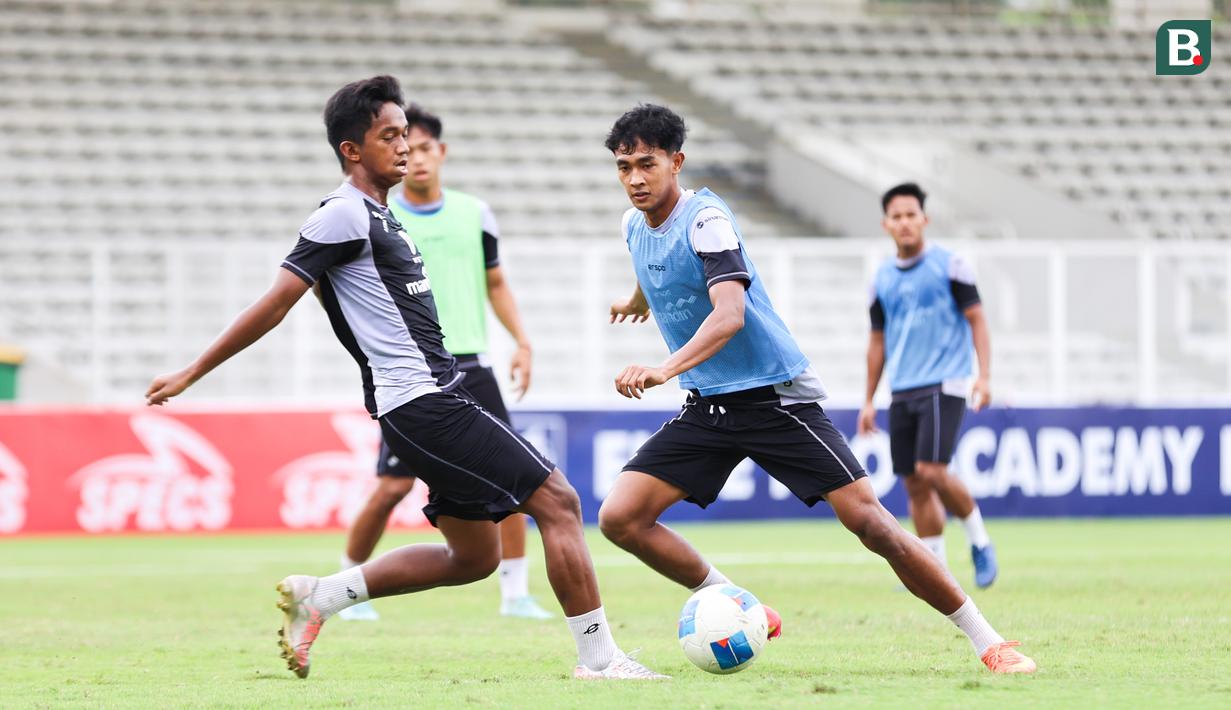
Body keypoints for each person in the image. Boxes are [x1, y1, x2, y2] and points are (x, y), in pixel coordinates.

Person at [145, 76, 664, 681]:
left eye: (408, 137)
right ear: (352, 150)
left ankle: (324, 595)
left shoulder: (379, 215)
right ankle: (599, 660)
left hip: (428, 398)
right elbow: (277, 300)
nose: (405, 148)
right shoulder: (342, 214)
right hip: (424, 401)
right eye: (390, 136)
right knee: (559, 500)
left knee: (472, 557)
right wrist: (192, 371)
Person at [595, 104, 1034, 674]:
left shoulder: (707, 220)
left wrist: (662, 369)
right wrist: (637, 300)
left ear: (676, 162)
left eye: (646, 164)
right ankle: (743, 605)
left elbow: (729, 315)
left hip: (775, 399)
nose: (634, 178)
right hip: (710, 406)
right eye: (623, 166)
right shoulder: (634, 224)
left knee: (873, 526)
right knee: (620, 518)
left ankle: (989, 641)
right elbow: (649, 259)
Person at [337, 103, 551, 622]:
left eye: (427, 147)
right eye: (408, 146)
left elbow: (495, 282)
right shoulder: (380, 216)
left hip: (474, 367)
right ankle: (345, 586)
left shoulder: (473, 213)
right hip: (414, 376)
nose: (418, 157)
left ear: (441, 152)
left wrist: (521, 341)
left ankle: (516, 594)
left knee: (520, 478)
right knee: (392, 485)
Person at [857, 183, 999, 589]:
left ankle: (980, 541)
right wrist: (868, 399)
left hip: (944, 382)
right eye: (896, 216)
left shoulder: (951, 266)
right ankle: (938, 570)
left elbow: (977, 319)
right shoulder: (880, 278)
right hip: (902, 388)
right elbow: (877, 342)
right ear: (887, 224)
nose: (904, 222)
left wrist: (984, 376)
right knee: (915, 482)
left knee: (933, 470)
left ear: (925, 219)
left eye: (911, 215)